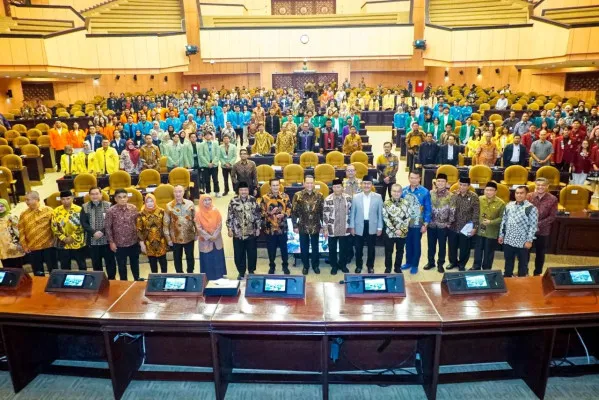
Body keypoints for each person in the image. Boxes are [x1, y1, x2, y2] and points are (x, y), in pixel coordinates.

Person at [499, 186, 538, 277]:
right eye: (517, 193)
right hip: (508, 239)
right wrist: (501, 235)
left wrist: (529, 241)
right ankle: (507, 278)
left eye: (521, 193)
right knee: (508, 262)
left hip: (522, 241)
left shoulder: (531, 208)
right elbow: (504, 221)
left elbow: (533, 226)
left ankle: (521, 283)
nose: (519, 195)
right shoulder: (509, 205)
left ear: (526, 194)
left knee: (522, 265)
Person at [227, 182, 262, 279]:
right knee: (239, 254)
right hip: (238, 233)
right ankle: (241, 272)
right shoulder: (233, 201)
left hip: (251, 232)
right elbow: (230, 216)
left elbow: (258, 215)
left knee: (252, 253)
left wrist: (258, 227)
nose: (243, 192)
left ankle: (251, 271)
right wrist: (230, 228)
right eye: (241, 190)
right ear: (238, 191)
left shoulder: (253, 200)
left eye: (245, 190)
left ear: (248, 190)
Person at [349, 176, 383, 273]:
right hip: (359, 225)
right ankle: (358, 265)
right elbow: (353, 213)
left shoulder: (378, 197)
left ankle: (370, 266)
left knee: (371, 248)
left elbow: (380, 214)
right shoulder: (356, 197)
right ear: (361, 184)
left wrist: (380, 227)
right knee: (358, 248)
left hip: (372, 225)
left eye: (368, 183)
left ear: (372, 185)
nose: (366, 185)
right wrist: (352, 227)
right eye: (364, 183)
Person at [81, 187, 116, 279]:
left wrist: (102, 232)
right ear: (89, 196)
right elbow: (84, 223)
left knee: (110, 262)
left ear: (101, 195)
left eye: (97, 193)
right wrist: (93, 232)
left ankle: (112, 280)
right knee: (96, 263)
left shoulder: (108, 205)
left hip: (107, 240)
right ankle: (99, 281)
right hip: (93, 241)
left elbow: (112, 221)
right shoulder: (85, 207)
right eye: (92, 194)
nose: (95, 196)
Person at [292, 176, 324, 275]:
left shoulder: (320, 195)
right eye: (307, 183)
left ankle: (315, 265)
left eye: (311, 183)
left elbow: (322, 212)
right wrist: (295, 226)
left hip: (315, 225)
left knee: (315, 247)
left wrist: (324, 226)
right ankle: (305, 266)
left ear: (314, 183)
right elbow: (294, 212)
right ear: (304, 183)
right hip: (302, 225)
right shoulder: (298, 195)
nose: (309, 185)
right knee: (304, 247)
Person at [382, 184, 418, 273]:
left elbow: (408, 218)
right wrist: (394, 230)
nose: (396, 193)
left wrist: (401, 230)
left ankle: (397, 267)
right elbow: (385, 218)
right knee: (388, 251)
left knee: (400, 251)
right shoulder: (386, 203)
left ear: (401, 192)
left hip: (402, 232)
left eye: (398, 191)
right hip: (389, 232)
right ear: (391, 192)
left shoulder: (406, 203)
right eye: (394, 191)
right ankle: (388, 267)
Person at [19, 191, 56, 276]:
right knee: (37, 271)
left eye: (28, 200)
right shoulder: (23, 214)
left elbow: (55, 227)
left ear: (37, 200)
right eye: (25, 200)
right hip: (33, 247)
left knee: (53, 269)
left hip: (49, 245)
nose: (26, 202)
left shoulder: (48, 210)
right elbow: (21, 231)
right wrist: (24, 246)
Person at [105, 188, 140, 280]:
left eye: (124, 197)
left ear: (127, 198)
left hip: (133, 242)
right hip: (119, 244)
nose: (122, 199)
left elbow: (138, 224)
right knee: (122, 266)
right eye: (119, 197)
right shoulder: (110, 211)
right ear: (115, 199)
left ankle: (137, 280)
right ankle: (124, 284)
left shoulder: (133, 208)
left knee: (135, 264)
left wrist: (140, 240)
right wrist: (111, 242)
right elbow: (108, 227)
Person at [401, 170, 432, 274]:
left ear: (419, 179)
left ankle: (415, 264)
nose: (414, 180)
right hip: (406, 223)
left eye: (416, 178)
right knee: (407, 243)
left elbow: (428, 209)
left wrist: (425, 224)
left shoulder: (425, 192)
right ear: (409, 178)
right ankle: (408, 262)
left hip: (418, 223)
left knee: (416, 244)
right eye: (412, 178)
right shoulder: (404, 191)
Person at [424, 173, 455, 273]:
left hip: (443, 225)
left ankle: (440, 264)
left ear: (446, 183)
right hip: (432, 224)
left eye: (443, 181)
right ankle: (430, 262)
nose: (440, 183)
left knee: (442, 246)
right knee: (431, 245)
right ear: (435, 182)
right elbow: (426, 207)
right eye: (438, 181)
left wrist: (449, 223)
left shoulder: (451, 195)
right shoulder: (430, 193)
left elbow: (452, 210)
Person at [447, 177, 479, 271]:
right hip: (453, 225)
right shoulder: (453, 195)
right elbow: (449, 209)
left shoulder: (474, 197)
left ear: (469, 186)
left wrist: (475, 227)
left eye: (465, 185)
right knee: (452, 246)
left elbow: (476, 213)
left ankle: (462, 264)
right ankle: (452, 262)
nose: (462, 187)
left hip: (466, 226)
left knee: (465, 247)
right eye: (460, 184)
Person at [527, 178, 557, 276]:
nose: (540, 187)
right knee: (525, 252)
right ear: (535, 185)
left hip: (543, 231)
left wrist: (537, 224)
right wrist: (530, 224)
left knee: (540, 254)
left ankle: (537, 273)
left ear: (547, 186)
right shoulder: (529, 196)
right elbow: (523, 211)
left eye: (543, 185)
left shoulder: (553, 199)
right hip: (528, 231)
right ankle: (523, 272)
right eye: (538, 185)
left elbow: (552, 217)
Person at [261, 178, 292, 274]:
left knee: (284, 248)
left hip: (282, 228)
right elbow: (261, 213)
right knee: (271, 249)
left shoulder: (285, 196)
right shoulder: (265, 198)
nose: (275, 187)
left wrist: (284, 214)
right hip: (270, 229)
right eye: (273, 185)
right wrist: (270, 213)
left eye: (277, 185)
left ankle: (285, 265)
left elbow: (290, 209)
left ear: (280, 185)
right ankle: (272, 266)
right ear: (270, 186)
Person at [471, 182, 505, 271]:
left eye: (491, 190)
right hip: (479, 230)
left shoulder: (501, 203)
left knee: (488, 251)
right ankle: (476, 266)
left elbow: (503, 218)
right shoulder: (480, 199)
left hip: (491, 231)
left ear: (495, 191)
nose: (488, 192)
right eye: (487, 190)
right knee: (477, 250)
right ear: (484, 190)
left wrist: (491, 222)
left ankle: (486, 268)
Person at [164, 185, 197, 273]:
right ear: (173, 193)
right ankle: (179, 274)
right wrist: (168, 239)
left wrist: (197, 233)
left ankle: (190, 273)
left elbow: (195, 219)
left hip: (189, 236)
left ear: (183, 192)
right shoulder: (168, 206)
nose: (178, 194)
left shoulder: (190, 203)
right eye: (176, 192)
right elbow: (165, 224)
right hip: (175, 237)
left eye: (180, 191)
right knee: (177, 258)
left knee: (190, 256)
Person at [322, 178, 352, 275]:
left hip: (345, 227)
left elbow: (352, 213)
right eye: (334, 187)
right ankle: (334, 266)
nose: (336, 189)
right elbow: (325, 215)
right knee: (332, 249)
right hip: (332, 228)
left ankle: (343, 265)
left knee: (344, 248)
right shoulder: (328, 199)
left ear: (342, 188)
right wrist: (325, 229)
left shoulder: (348, 198)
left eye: (338, 187)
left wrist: (352, 226)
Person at [51, 191, 86, 271]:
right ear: (60, 200)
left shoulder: (79, 209)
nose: (66, 201)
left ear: (73, 198)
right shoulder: (56, 211)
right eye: (63, 199)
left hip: (77, 242)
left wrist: (72, 237)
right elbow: (54, 227)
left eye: (68, 198)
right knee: (65, 266)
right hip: (62, 243)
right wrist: (63, 238)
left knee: (82, 264)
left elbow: (83, 225)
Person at [195, 194, 227, 280]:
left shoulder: (215, 210)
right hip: (205, 240)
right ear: (201, 202)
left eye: (209, 200)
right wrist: (209, 237)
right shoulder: (198, 213)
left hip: (217, 239)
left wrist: (215, 235)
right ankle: (209, 277)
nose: (207, 202)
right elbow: (198, 227)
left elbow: (220, 223)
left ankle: (220, 276)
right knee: (207, 259)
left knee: (217, 258)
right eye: (205, 200)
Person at [136, 193, 169, 274]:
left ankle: (164, 280)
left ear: (155, 201)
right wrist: (142, 244)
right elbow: (138, 229)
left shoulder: (161, 211)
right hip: (148, 243)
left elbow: (166, 226)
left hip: (161, 242)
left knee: (163, 264)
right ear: (144, 202)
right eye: (147, 201)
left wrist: (169, 239)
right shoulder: (141, 214)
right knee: (153, 265)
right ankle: (155, 282)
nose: (150, 203)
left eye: (151, 201)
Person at [0, 199, 26, 269]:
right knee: (8, 271)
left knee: (18, 270)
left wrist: (19, 245)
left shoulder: (11, 218)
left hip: (14, 249)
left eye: (2, 206)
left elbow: (18, 232)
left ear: (6, 206)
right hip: (3, 250)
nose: (0, 208)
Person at [199, 130, 220, 196]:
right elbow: (201, 155)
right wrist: (208, 163)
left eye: (209, 134)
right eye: (206, 135)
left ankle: (217, 191)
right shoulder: (202, 144)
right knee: (207, 180)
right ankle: (208, 192)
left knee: (215, 179)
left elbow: (217, 154)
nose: (208, 136)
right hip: (206, 165)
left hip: (214, 164)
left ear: (211, 136)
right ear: (204, 136)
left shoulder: (216, 143)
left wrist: (213, 163)